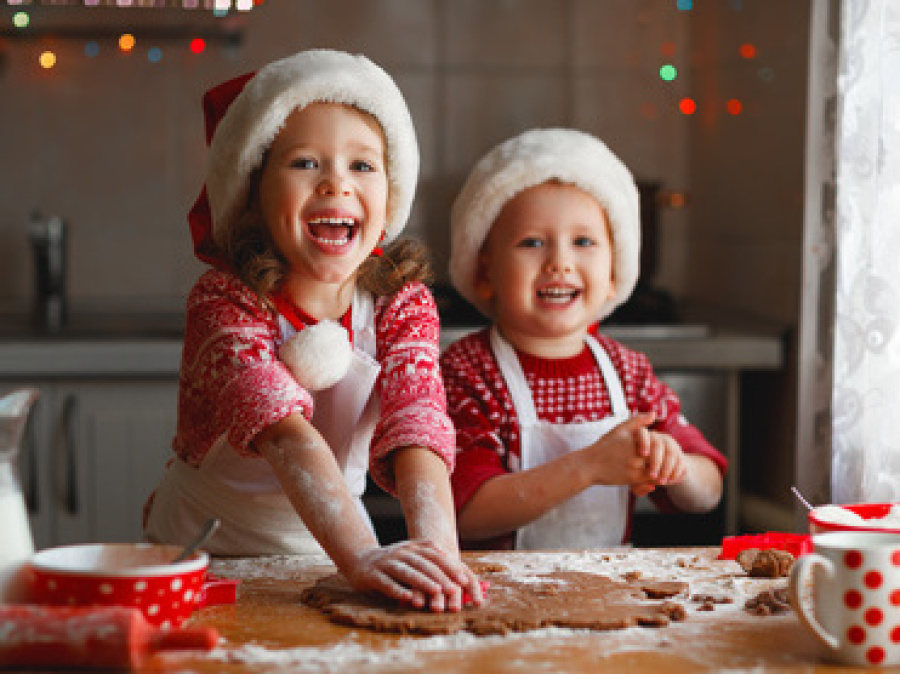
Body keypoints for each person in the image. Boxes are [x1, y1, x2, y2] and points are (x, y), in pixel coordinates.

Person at [144, 49, 482, 612]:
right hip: (205, 556)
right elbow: (283, 432)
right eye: (305, 163)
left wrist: (439, 554)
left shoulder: (402, 303)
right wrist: (364, 558)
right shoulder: (224, 301)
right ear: (252, 192)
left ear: (390, 193)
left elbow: (417, 423)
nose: (336, 184)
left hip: (326, 551)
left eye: (362, 165)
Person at [441, 128, 727, 550]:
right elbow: (463, 514)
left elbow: (709, 492)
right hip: (495, 601)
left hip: (608, 600)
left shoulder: (629, 373)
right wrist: (587, 467)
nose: (560, 263)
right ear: (485, 274)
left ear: (614, 274)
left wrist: (676, 466)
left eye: (584, 242)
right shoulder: (467, 372)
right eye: (532, 242)